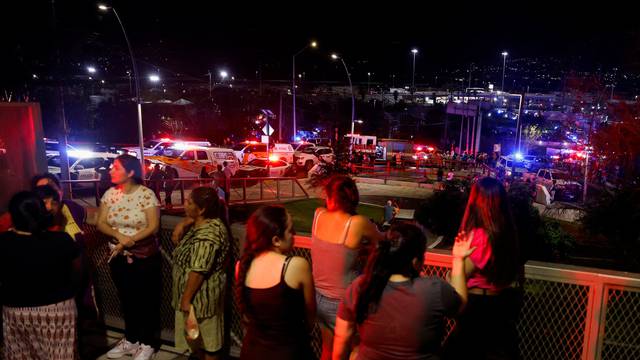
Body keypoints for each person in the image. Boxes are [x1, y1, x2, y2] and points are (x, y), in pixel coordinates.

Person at [332, 223, 474, 360]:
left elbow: (342, 337)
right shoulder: (434, 289)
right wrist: (458, 260)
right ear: (415, 261)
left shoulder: (361, 286)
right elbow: (460, 304)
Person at [442, 177, 523, 360]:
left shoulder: (480, 237)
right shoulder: (506, 232)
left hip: (478, 307)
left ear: (476, 201)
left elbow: (459, 276)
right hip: (499, 304)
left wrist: (450, 273)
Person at [0, 191, 81, 360]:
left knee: (22, 355)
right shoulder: (61, 240)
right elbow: (77, 269)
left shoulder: (4, 241)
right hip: (58, 310)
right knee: (61, 355)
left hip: (16, 310)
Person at [311, 175, 384, 360]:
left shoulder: (318, 215)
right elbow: (382, 243)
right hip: (343, 301)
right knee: (357, 350)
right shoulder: (358, 223)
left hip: (318, 297)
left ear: (330, 197)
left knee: (328, 352)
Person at [96, 154, 161, 360]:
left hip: (144, 257)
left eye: (116, 167)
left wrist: (128, 240)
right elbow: (101, 223)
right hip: (118, 257)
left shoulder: (146, 194)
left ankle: (148, 342)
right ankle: (131, 339)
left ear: (131, 172)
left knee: (146, 300)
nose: (110, 170)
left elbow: (153, 226)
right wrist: (119, 236)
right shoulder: (109, 194)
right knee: (126, 298)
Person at [236, 206, 316, 359]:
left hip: (252, 352)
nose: (294, 234)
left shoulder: (242, 266)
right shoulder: (296, 265)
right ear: (276, 240)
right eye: (291, 230)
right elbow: (310, 317)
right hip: (289, 352)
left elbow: (247, 316)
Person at [171, 187, 230, 360]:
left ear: (202, 209)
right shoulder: (203, 223)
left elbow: (198, 270)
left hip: (201, 302)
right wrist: (184, 222)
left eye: (189, 201)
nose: (185, 203)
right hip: (196, 302)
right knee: (198, 344)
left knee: (209, 345)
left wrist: (186, 300)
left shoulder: (208, 234)